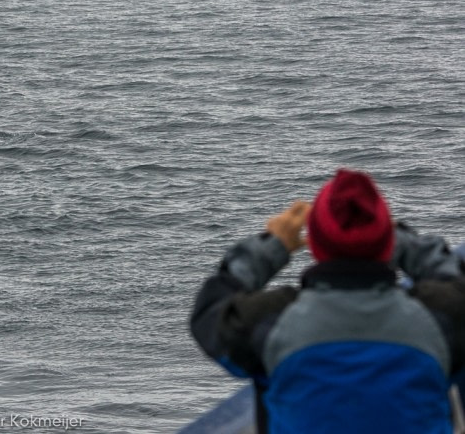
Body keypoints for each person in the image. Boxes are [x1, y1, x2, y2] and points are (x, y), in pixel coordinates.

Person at [190, 168, 465, 433]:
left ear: (316, 245)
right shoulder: (440, 317)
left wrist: (271, 246)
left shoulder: (271, 322)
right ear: (387, 244)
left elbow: (211, 310)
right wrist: (405, 243)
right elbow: (453, 282)